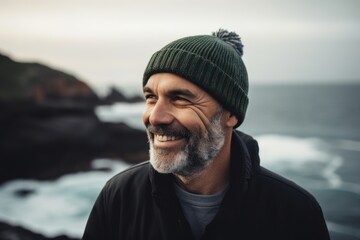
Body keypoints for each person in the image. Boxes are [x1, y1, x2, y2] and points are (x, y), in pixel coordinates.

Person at [82, 29, 330, 240]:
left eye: (180, 99)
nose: (155, 117)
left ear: (230, 114)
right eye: (151, 98)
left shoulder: (293, 212)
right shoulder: (119, 198)